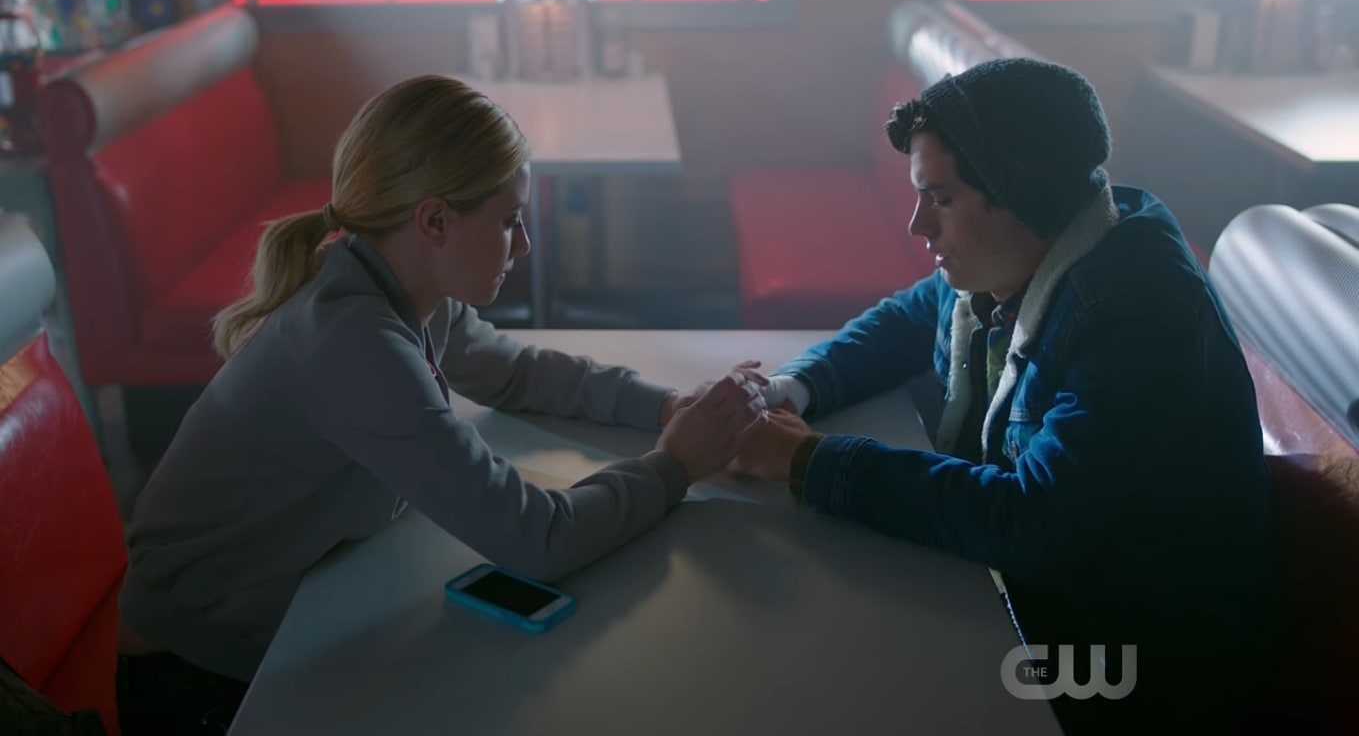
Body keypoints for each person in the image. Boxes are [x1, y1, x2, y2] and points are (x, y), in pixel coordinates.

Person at [114, 74, 765, 734]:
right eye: (509, 221)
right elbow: (536, 538)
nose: (523, 245)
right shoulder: (354, 344)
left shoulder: (399, 287)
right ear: (434, 221)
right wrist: (675, 465)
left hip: (276, 618)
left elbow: (518, 373)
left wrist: (669, 407)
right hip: (195, 677)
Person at [724, 58, 1277, 734]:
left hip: (1136, 669)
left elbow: (1036, 521)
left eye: (939, 199)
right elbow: (905, 320)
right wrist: (791, 389)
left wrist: (808, 461)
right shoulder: (1030, 249)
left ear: (1019, 193)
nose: (917, 226)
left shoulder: (1133, 316)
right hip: (1048, 604)